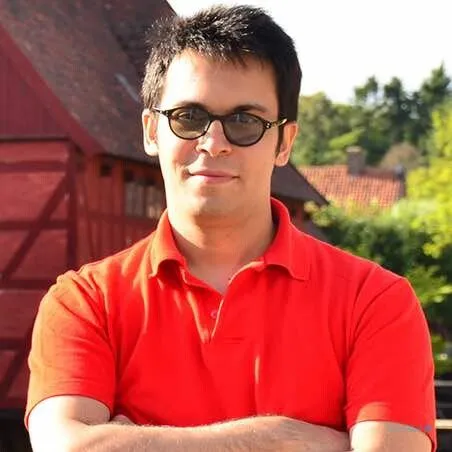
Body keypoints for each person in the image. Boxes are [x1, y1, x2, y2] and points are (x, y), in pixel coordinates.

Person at [26, 4, 436, 452]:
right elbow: (68, 447)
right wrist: (284, 438)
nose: (213, 143)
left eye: (244, 121)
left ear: (284, 142)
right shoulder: (85, 302)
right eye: (188, 117)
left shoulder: (374, 302)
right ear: (151, 131)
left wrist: (129, 441)